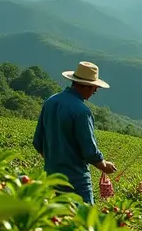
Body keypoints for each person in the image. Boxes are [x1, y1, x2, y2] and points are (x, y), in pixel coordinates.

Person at [32, 61, 117, 204]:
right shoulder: (82, 111)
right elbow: (89, 151)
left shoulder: (50, 102)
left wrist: (55, 161)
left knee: (55, 220)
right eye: (94, 87)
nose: (95, 91)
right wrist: (104, 165)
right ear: (85, 86)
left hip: (51, 178)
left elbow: (38, 142)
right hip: (76, 183)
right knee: (80, 222)